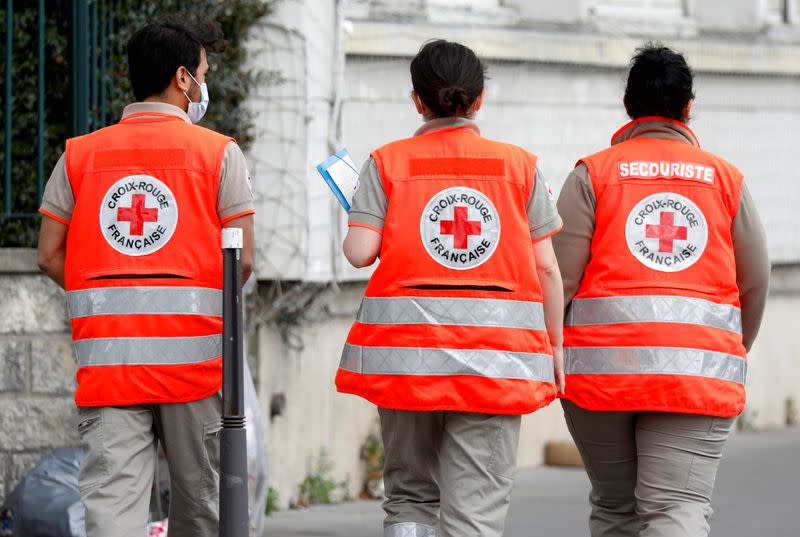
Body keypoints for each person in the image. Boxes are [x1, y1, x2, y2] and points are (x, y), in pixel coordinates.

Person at [36, 17, 255, 537]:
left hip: (111, 368)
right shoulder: (217, 152)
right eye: (203, 70)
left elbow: (48, 255)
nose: (205, 81)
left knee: (112, 514)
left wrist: (113, 298)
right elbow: (241, 261)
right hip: (194, 371)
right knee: (203, 510)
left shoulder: (80, 155)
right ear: (184, 78)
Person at [336, 39, 564, 537]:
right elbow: (547, 269)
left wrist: (361, 203)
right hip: (495, 361)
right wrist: (555, 347)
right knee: (474, 512)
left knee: (410, 497)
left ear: (417, 101)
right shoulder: (519, 166)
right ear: (479, 99)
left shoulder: (387, 162)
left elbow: (358, 252)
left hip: (407, 361)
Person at [554, 43, 770, 537]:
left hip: (602, 377)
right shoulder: (725, 180)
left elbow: (560, 279)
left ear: (628, 107)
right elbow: (755, 281)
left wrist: (550, 353)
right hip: (696, 375)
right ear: (688, 107)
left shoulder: (594, 173)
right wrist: (733, 349)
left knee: (615, 509)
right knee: (676, 507)